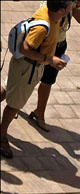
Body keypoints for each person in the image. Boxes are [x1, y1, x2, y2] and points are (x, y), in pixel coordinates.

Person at [0, 0, 70, 159]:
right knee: (14, 105)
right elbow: (24, 48)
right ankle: (2, 136)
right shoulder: (42, 26)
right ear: (62, 9)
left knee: (7, 89)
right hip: (27, 69)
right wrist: (50, 60)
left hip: (24, 68)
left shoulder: (48, 11)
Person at [28, 0, 80, 133]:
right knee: (26, 77)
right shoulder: (54, 3)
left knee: (47, 81)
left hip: (59, 45)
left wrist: (78, 5)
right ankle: (12, 103)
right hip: (44, 45)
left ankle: (39, 113)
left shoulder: (70, 3)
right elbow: (51, 20)